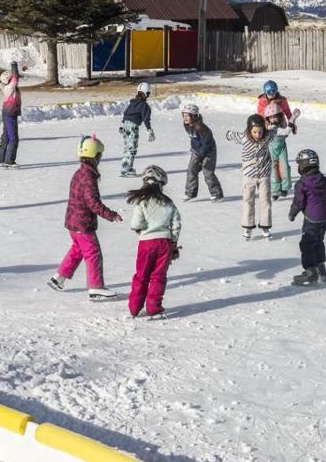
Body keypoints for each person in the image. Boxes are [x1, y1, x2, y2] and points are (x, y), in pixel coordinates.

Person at [48, 135, 122, 300]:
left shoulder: (80, 172)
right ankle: (95, 287)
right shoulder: (88, 176)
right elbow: (93, 202)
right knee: (93, 253)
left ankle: (58, 278)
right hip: (82, 224)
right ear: (95, 156)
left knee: (78, 250)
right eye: (100, 155)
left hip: (73, 222)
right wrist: (110, 214)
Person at [126, 165, 181, 319]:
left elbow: (135, 224)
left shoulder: (141, 202)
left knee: (141, 275)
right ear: (161, 184)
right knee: (158, 276)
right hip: (164, 243)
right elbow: (176, 224)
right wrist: (173, 242)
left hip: (146, 244)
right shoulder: (168, 203)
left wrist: (143, 230)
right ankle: (153, 308)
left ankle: (134, 308)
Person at [289, 149, 326, 286]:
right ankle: (321, 269)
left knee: (307, 244)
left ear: (303, 166)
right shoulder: (322, 178)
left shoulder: (302, 184)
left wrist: (292, 213)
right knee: (318, 241)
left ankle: (311, 272)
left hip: (312, 219)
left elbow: (299, 202)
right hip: (325, 218)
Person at [226, 114, 275, 239]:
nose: (258, 135)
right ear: (249, 130)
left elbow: (276, 130)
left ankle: (265, 225)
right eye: (255, 132)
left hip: (264, 174)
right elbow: (231, 135)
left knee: (265, 200)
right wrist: (228, 134)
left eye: (260, 132)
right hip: (249, 175)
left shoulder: (267, 137)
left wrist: (277, 122)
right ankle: (248, 227)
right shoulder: (244, 138)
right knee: (248, 200)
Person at [181, 103, 222, 202]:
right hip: (197, 151)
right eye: (183, 115)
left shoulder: (201, 128)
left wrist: (200, 158)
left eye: (187, 116)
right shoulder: (187, 125)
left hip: (209, 151)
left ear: (194, 116)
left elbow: (206, 144)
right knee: (191, 169)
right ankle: (190, 192)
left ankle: (216, 193)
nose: (185, 118)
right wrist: (194, 150)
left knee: (207, 172)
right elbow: (194, 139)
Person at [120, 82, 154, 177]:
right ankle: (126, 169)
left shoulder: (133, 103)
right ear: (146, 93)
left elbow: (126, 113)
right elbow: (146, 119)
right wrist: (149, 130)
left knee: (128, 147)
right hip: (133, 127)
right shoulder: (144, 105)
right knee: (132, 148)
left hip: (126, 125)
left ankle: (125, 167)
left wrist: (122, 125)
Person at [264, 101, 294, 199]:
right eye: (270, 117)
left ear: (279, 116)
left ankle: (284, 187)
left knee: (284, 167)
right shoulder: (270, 128)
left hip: (282, 148)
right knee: (274, 170)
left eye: (274, 116)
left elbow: (286, 131)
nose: (273, 119)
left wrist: (292, 120)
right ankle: (275, 191)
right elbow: (286, 131)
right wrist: (293, 119)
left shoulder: (281, 125)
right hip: (271, 150)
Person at [0, 62, 22, 167]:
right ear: (8, 80)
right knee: (13, 138)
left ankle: (0, 159)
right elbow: (15, 77)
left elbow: (15, 78)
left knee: (6, 136)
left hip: (8, 112)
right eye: (11, 79)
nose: (13, 80)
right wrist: (14, 66)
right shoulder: (10, 87)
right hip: (10, 114)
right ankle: (9, 161)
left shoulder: (8, 87)